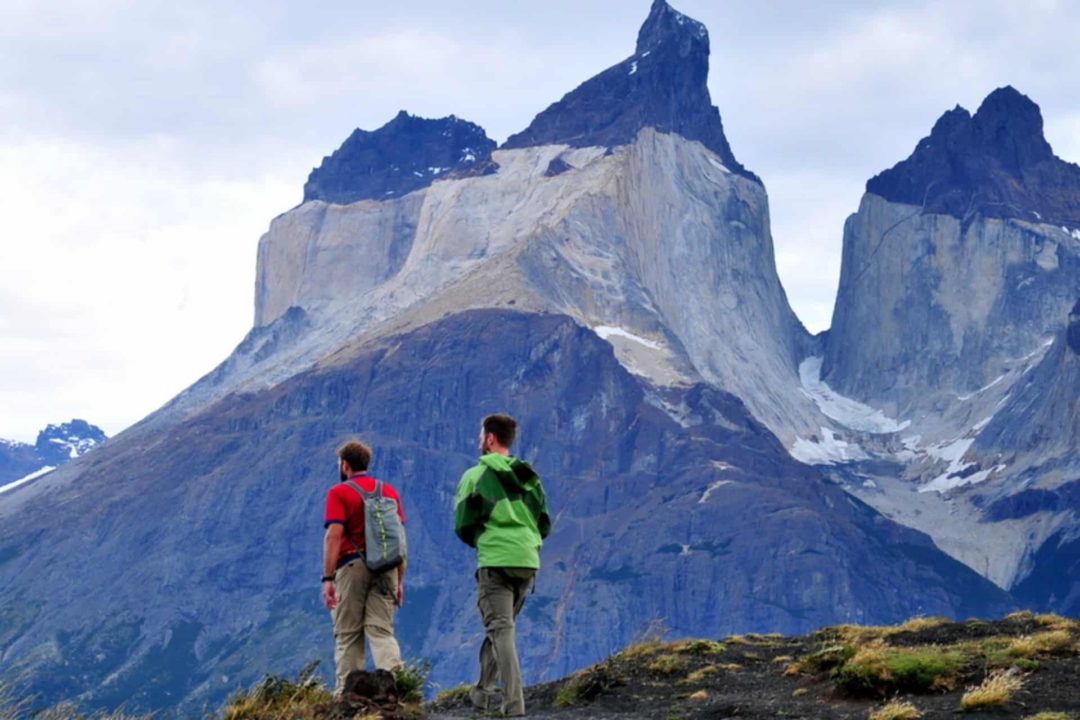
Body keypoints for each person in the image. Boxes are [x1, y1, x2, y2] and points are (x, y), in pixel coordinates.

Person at [454, 413, 551, 717]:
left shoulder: (475, 476)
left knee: (501, 631)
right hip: (527, 560)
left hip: (496, 560)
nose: (479, 440)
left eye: (481, 435)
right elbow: (544, 522)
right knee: (500, 628)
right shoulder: (530, 478)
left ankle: (513, 706)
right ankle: (482, 692)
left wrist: (484, 540)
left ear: (490, 439)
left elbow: (463, 523)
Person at [322, 440, 407, 695]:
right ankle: (395, 690)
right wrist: (400, 581)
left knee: (348, 634)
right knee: (381, 631)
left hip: (351, 565)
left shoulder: (339, 493)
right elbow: (400, 539)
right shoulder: (388, 492)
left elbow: (334, 536)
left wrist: (327, 578)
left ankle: (348, 694)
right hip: (388, 568)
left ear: (345, 465)